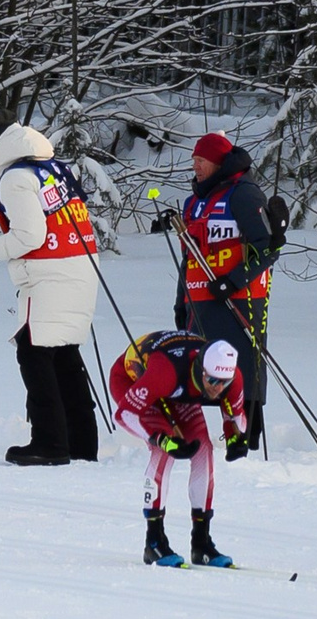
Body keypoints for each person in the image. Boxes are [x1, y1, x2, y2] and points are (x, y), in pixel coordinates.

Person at [0, 120, 101, 466]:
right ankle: (82, 442)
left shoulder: (16, 177)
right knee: (63, 354)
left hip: (49, 271)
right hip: (81, 265)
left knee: (34, 353)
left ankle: (49, 443)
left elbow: (30, 236)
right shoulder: (54, 168)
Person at [168, 130, 277, 450]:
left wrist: (233, 280)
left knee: (244, 367)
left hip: (241, 299)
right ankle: (198, 436)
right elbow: (190, 255)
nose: (196, 167)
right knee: (198, 369)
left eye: (201, 161)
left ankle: (250, 435)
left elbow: (267, 247)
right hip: (200, 299)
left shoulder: (244, 194)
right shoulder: (194, 201)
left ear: (218, 162)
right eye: (194, 161)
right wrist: (181, 300)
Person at [105, 329, 251, 567]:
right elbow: (124, 415)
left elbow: (236, 416)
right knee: (164, 451)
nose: (217, 388)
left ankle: (201, 543)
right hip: (133, 380)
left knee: (203, 448)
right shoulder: (165, 372)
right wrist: (160, 439)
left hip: (178, 390)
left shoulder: (231, 378)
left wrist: (235, 437)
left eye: (224, 382)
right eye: (212, 380)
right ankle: (154, 542)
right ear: (201, 368)